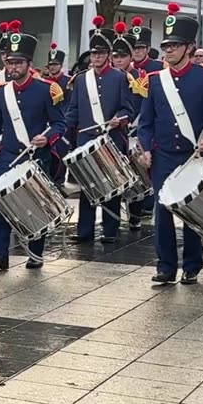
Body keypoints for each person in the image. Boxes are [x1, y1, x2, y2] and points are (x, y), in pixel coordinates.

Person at [137, 4, 203, 285]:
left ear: (189, 47)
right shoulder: (153, 80)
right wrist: (146, 149)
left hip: (193, 156)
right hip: (164, 155)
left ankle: (192, 264)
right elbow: (145, 123)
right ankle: (165, 266)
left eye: (175, 46)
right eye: (166, 46)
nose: (169, 51)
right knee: (162, 213)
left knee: (190, 211)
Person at [0, 26, 67, 270]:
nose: (13, 68)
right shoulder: (0, 92)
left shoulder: (46, 89)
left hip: (36, 156)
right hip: (7, 156)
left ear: (29, 63)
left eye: (18, 63)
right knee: (3, 205)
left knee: (35, 206)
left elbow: (60, 123)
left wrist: (47, 138)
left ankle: (35, 255)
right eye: (10, 63)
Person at [67, 17, 134, 245]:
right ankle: (84, 229)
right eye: (94, 53)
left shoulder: (121, 78)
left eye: (101, 53)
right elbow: (73, 110)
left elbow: (129, 110)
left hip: (111, 139)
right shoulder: (80, 79)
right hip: (86, 138)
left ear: (108, 54)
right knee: (87, 186)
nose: (96, 57)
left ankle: (109, 230)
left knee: (110, 186)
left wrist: (119, 119)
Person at [127, 17, 163, 230]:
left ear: (148, 48)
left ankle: (147, 206)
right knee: (133, 171)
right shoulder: (127, 71)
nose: (137, 51)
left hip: (151, 125)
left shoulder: (158, 68)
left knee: (147, 170)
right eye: (135, 48)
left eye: (141, 47)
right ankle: (134, 214)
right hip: (130, 127)